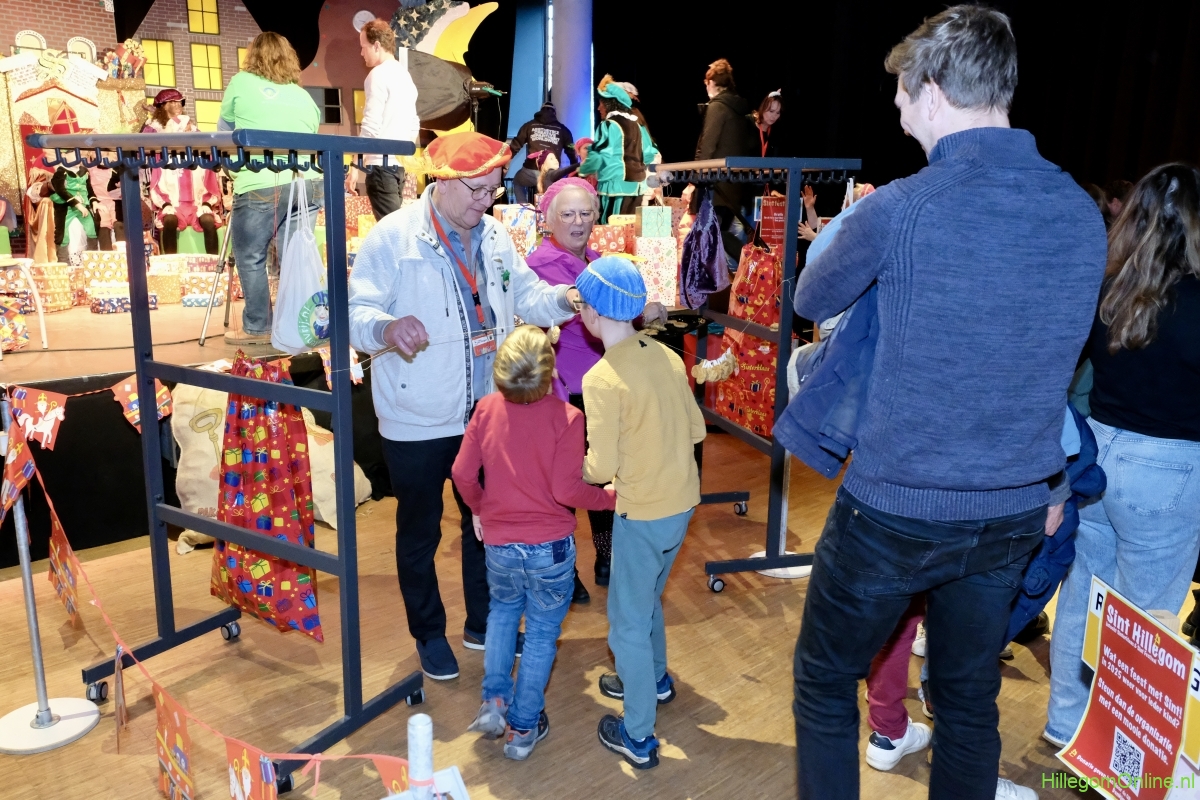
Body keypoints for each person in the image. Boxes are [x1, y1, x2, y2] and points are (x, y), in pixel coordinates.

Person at [789, 7, 1107, 800]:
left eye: (902, 95)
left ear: (932, 89)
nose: (899, 113)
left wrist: (850, 221)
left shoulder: (902, 207)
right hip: (1013, 509)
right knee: (967, 701)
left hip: (895, 508)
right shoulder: (1080, 210)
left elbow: (810, 297)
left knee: (824, 680)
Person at [347, 131, 580, 682]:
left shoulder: (495, 235)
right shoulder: (393, 237)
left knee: (490, 524)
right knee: (420, 533)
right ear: (443, 182)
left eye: (493, 190)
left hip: (487, 413)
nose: (486, 201)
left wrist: (567, 299)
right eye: (477, 191)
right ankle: (429, 633)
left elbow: (527, 296)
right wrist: (386, 328)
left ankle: (484, 624)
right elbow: (356, 314)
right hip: (417, 419)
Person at [1045, 163, 1200, 748]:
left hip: (1097, 458)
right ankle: (1119, 755)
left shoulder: (1108, 291)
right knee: (1146, 621)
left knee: (1082, 597)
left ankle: (1067, 727)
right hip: (1168, 471)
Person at [454, 325, 616, 760]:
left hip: (500, 544)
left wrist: (480, 509)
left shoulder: (485, 410)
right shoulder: (569, 418)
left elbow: (462, 474)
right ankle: (523, 729)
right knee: (542, 633)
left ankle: (494, 700)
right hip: (551, 548)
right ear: (551, 371)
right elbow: (567, 490)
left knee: (503, 613)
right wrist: (608, 498)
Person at [573, 256, 707, 770]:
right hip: (682, 503)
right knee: (647, 597)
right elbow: (696, 430)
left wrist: (577, 468)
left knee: (625, 623)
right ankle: (653, 678)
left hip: (642, 512)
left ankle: (637, 735)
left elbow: (600, 466)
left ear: (592, 312)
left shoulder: (601, 378)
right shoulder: (667, 356)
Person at [524, 178, 667, 593]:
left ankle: (606, 557)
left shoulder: (596, 258)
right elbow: (602, 308)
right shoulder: (542, 265)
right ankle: (564, 569)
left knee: (603, 473)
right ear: (549, 219)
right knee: (570, 480)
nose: (578, 222)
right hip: (568, 392)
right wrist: (641, 312)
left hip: (605, 385)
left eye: (585, 213)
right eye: (568, 214)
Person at [219, 31, 323, 345]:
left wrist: (232, 172)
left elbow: (224, 135)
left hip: (260, 180)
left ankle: (258, 327)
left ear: (252, 56)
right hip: (306, 183)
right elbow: (311, 133)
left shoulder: (240, 82)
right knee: (296, 256)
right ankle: (301, 324)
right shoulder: (302, 95)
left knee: (251, 257)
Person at [349, 18, 419, 221]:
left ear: (377, 46)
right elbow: (414, 123)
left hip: (381, 167)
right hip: (399, 166)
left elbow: (370, 126)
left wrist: (355, 165)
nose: (361, 53)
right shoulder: (405, 76)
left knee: (393, 231)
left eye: (364, 47)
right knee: (397, 228)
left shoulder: (377, 75)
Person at [694, 59, 758, 269]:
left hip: (716, 184)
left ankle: (752, 265)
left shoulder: (718, 107)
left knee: (711, 233)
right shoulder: (741, 110)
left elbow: (708, 144)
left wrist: (694, 179)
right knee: (716, 233)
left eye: (707, 83)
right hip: (734, 185)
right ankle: (748, 266)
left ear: (712, 82)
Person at [143, 89, 222, 255]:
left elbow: (208, 157)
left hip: (196, 199)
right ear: (163, 106)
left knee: (208, 221)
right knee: (169, 221)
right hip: (171, 195)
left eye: (180, 102)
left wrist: (207, 202)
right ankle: (171, 263)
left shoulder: (194, 135)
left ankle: (214, 264)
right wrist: (165, 203)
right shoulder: (154, 131)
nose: (177, 105)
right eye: (172, 102)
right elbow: (143, 151)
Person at [577, 76, 658, 222]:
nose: (598, 108)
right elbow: (649, 154)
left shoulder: (608, 125)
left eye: (601, 103)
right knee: (630, 230)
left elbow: (598, 155)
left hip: (614, 190)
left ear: (609, 104)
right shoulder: (638, 126)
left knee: (610, 230)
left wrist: (582, 172)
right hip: (637, 189)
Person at [507, 101, 577, 205]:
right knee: (551, 195)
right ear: (554, 113)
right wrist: (575, 167)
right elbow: (571, 151)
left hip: (530, 170)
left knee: (517, 181)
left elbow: (515, 145)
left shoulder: (529, 125)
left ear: (540, 111)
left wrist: (505, 162)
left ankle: (524, 208)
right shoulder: (563, 130)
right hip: (551, 173)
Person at [752, 90, 783, 157]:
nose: (774, 116)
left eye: (778, 113)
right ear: (763, 108)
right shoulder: (747, 123)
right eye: (771, 111)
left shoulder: (776, 132)